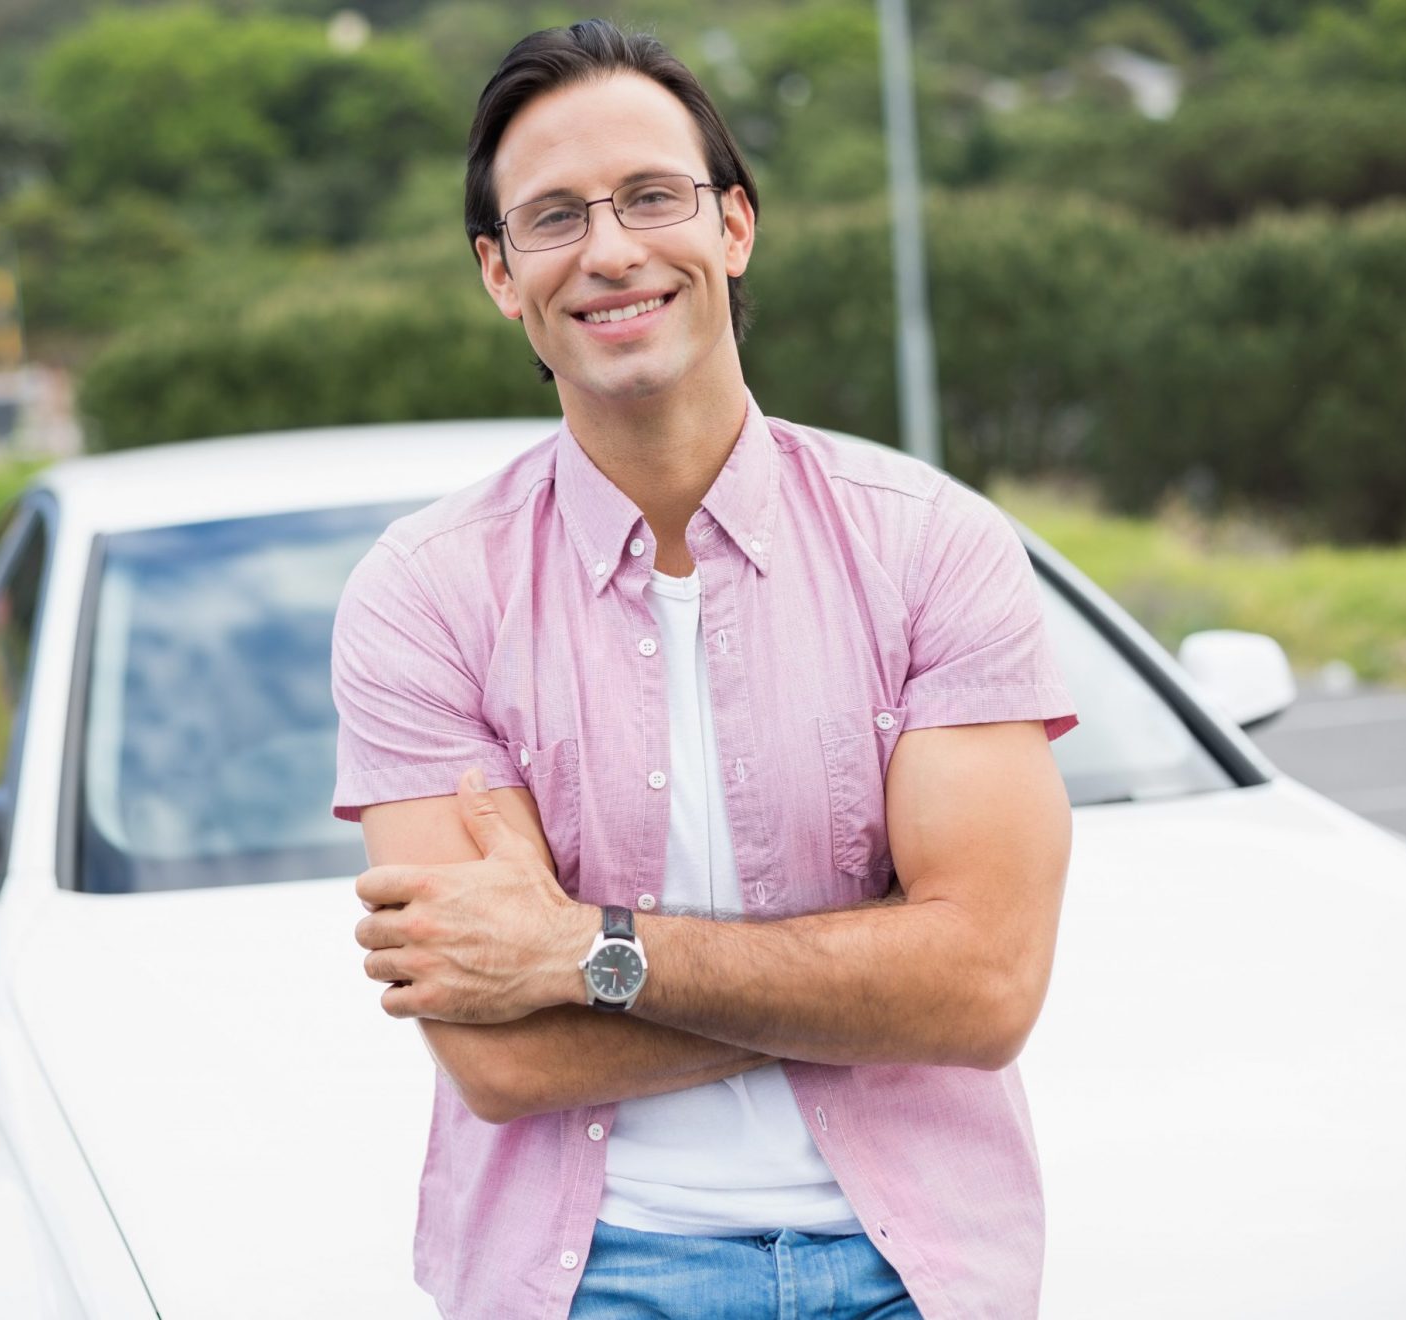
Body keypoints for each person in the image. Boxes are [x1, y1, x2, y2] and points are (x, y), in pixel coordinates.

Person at [331, 19, 1079, 1320]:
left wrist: (584, 951)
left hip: (915, 1265)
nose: (611, 249)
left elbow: (984, 989)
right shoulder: (424, 594)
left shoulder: (931, 546)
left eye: (651, 197)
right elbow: (494, 1059)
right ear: (500, 276)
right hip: (589, 1279)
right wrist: (863, 982)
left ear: (732, 228)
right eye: (554, 216)